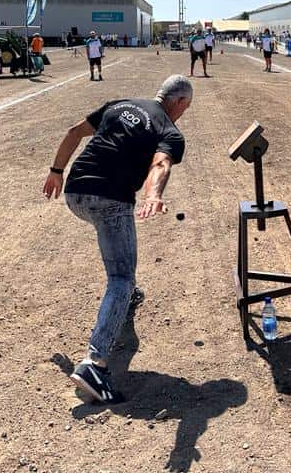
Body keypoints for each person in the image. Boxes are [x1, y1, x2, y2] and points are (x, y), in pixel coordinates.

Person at [42, 75, 192, 404]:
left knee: (119, 254)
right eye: (186, 107)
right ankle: (94, 364)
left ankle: (126, 299)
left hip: (75, 191)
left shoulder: (121, 104)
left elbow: (74, 132)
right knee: (121, 277)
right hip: (109, 198)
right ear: (180, 102)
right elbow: (161, 163)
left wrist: (56, 170)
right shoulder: (169, 131)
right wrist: (153, 195)